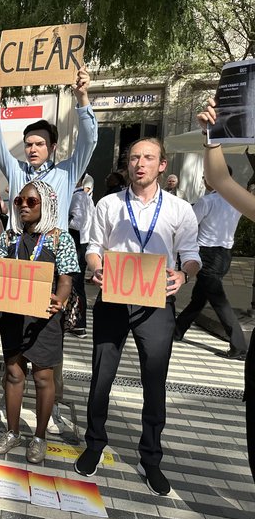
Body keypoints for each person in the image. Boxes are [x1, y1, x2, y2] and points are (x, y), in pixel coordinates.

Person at [74, 137, 200, 496]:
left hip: (157, 301)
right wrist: (96, 267)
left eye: (148, 158)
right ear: (126, 164)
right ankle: (95, 443)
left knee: (154, 382)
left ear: (162, 165)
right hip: (113, 297)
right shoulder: (109, 204)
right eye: (133, 158)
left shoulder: (179, 209)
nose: (139, 164)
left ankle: (151, 459)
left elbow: (191, 254)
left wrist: (184, 274)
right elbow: (94, 247)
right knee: (102, 377)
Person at [0, 66, 97, 435]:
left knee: (47, 366)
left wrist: (82, 99)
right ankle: (14, 416)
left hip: (51, 269)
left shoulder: (66, 173)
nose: (32, 149)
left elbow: (89, 142)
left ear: (51, 147)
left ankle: (48, 418)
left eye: (39, 144)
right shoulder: (16, 173)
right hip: (16, 264)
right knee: (14, 362)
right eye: (28, 144)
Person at [0, 181, 78, 463]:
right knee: (14, 374)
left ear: (47, 205)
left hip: (45, 319)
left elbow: (66, 279)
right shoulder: (9, 238)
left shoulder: (59, 239)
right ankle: (12, 432)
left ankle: (39, 437)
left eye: (31, 201)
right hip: (13, 315)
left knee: (43, 377)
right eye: (19, 201)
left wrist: (60, 301)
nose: (24, 206)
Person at [199, 96, 255, 483]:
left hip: (213, 254)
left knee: (211, 294)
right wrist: (213, 136)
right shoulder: (237, 202)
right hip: (220, 253)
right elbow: (221, 179)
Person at [174, 169, 245, 359]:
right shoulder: (237, 201)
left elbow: (189, 224)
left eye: (206, 177)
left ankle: (239, 345)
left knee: (218, 301)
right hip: (225, 254)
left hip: (207, 253)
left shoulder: (208, 201)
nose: (204, 180)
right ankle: (177, 330)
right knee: (199, 297)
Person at [67, 174, 96, 337]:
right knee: (75, 283)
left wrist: (62, 219)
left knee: (75, 282)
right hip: (82, 243)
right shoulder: (85, 196)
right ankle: (76, 323)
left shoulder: (78, 196)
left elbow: (76, 222)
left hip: (76, 242)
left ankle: (78, 324)